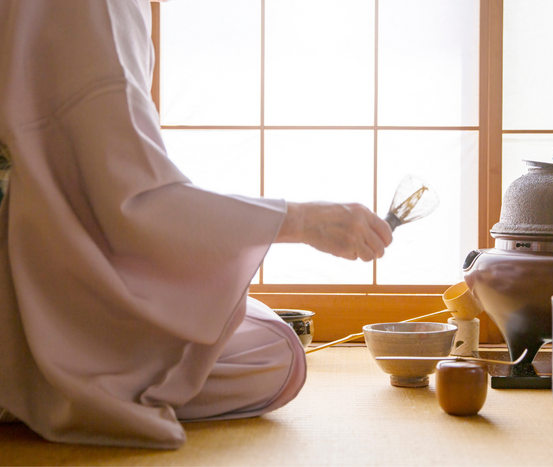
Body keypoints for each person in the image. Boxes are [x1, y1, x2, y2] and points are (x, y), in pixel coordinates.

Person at [0, 0, 392, 449]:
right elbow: (135, 205)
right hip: (37, 281)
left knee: (244, 316)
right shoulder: (98, 9)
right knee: (277, 353)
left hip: (30, 247)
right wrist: (304, 220)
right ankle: (32, 383)